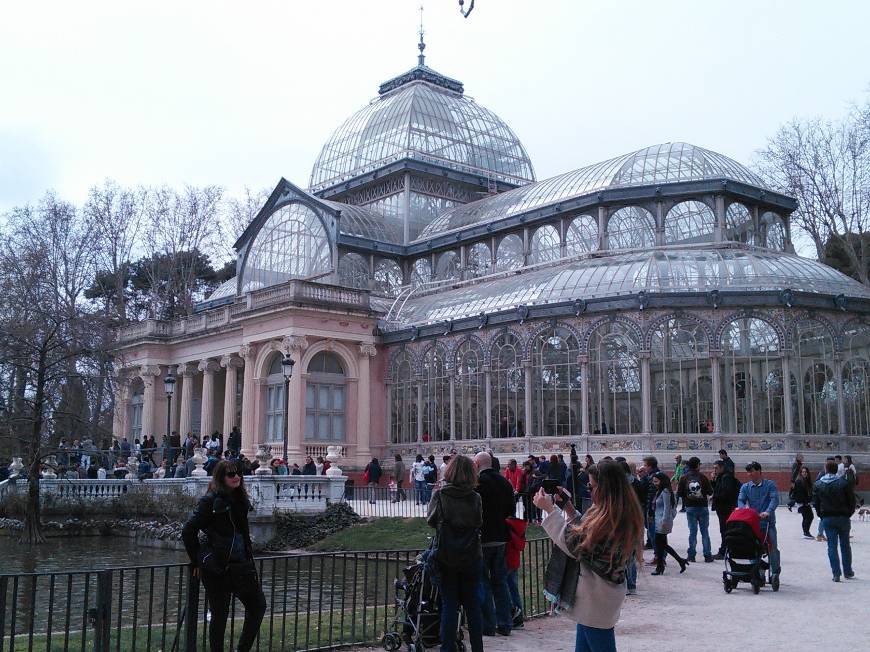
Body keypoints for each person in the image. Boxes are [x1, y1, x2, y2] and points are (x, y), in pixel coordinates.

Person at [533, 459, 644, 652]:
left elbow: (576, 545)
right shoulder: (615, 511)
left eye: (591, 486)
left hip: (597, 598)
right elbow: (584, 532)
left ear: (605, 488)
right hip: (595, 596)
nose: (588, 490)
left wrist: (550, 510)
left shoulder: (611, 519)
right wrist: (567, 507)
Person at [181, 461, 267, 652]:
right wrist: (197, 560)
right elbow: (188, 530)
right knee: (220, 615)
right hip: (218, 567)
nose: (236, 477)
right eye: (231, 474)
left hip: (242, 565)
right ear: (221, 478)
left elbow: (242, 534)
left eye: (238, 473)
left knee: (258, 606)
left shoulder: (241, 500)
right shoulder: (210, 500)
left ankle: (242, 649)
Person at [426, 455, 484, 652]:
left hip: (446, 554)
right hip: (471, 555)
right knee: (472, 605)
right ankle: (478, 648)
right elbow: (478, 522)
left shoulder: (440, 495)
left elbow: (431, 521)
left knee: (449, 604)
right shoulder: (475, 497)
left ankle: (447, 648)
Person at [473, 451, 514, 637]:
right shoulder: (505, 482)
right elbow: (510, 510)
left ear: (477, 464)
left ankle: (488, 625)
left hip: (483, 539)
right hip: (500, 538)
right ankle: (505, 623)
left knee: (483, 582)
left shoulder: (478, 484)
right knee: (501, 582)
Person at [813, 459, 857, 581]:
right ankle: (848, 571)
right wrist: (849, 513)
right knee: (845, 545)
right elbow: (851, 501)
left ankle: (836, 574)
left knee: (831, 546)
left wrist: (821, 515)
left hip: (827, 517)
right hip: (843, 517)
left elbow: (816, 503)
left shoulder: (818, 484)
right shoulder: (844, 483)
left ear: (826, 469)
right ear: (836, 469)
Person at [737, 461, 780, 578]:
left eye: (751, 471)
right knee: (752, 548)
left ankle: (775, 571)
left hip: (767, 523)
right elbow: (740, 500)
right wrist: (743, 509)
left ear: (759, 471)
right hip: (753, 523)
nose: (749, 474)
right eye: (748, 472)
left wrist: (768, 511)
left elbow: (774, 499)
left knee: (772, 547)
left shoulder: (770, 485)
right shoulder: (745, 487)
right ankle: (757, 569)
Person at [651, 471, 689, 575]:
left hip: (663, 522)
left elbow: (667, 508)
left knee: (660, 546)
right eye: (653, 481)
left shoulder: (665, 491)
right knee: (662, 545)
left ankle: (660, 567)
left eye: (656, 481)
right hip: (659, 520)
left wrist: (664, 521)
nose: (654, 483)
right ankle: (679, 561)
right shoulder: (660, 491)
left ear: (662, 481)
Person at [677, 456, 713, 563]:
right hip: (702, 507)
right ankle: (707, 555)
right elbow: (710, 492)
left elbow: (679, 493)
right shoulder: (703, 477)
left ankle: (691, 555)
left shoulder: (684, 477)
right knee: (705, 532)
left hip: (690, 507)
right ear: (698, 465)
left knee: (692, 532)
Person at [711, 459, 740, 559]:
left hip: (725, 508)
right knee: (724, 530)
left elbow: (726, 493)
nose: (715, 470)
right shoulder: (721, 477)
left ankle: (725, 551)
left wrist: (715, 497)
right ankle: (726, 550)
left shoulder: (726, 478)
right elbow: (716, 489)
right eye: (714, 468)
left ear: (722, 467)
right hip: (722, 507)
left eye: (716, 468)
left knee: (725, 530)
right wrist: (713, 480)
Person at [505, 514, 527, 629]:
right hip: (514, 560)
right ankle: (518, 619)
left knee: (503, 588)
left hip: (506, 559)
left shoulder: (506, 525)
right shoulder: (518, 526)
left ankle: (512, 612)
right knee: (513, 589)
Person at [641, 456, 660, 558]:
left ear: (650, 466)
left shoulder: (654, 477)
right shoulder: (652, 475)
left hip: (652, 509)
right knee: (654, 533)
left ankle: (658, 556)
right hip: (652, 508)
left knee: (654, 534)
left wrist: (650, 510)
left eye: (645, 465)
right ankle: (659, 556)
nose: (644, 467)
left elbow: (651, 494)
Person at [792, 466, 815, 539]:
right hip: (802, 503)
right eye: (803, 472)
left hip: (806, 502)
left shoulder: (807, 480)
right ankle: (806, 533)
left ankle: (806, 532)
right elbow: (799, 493)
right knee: (807, 517)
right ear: (801, 473)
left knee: (809, 517)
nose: (804, 473)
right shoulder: (799, 481)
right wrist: (805, 501)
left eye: (806, 472)